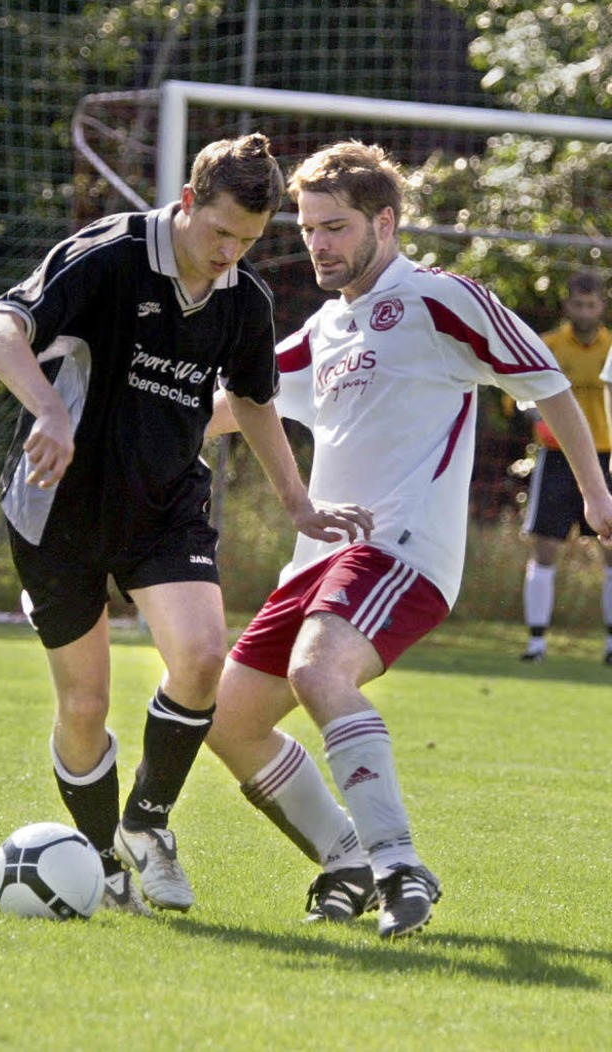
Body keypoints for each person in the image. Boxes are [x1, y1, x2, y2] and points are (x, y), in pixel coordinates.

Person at [204, 141, 612, 940]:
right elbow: (236, 402)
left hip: (403, 548)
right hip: (319, 558)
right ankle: (345, 860)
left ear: (384, 223)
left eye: (336, 227)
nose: (319, 243)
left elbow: (547, 379)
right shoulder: (324, 325)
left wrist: (597, 491)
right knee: (230, 720)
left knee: (320, 671)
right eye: (310, 227)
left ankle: (398, 862)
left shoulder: (440, 299)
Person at [0, 133, 372, 917]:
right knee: (84, 707)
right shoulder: (109, 256)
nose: (230, 254)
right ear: (188, 203)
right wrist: (48, 410)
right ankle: (99, 860)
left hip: (164, 506)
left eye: (250, 242)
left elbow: (255, 400)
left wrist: (298, 501)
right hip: (58, 509)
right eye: (220, 233)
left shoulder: (243, 300)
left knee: (200, 659)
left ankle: (147, 827)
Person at [519, 271, 612, 663]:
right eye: (578, 304)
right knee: (545, 547)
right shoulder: (548, 347)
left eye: (592, 305)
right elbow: (522, 398)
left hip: (607, 456)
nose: (585, 312)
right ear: (567, 306)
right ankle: (537, 643)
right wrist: (539, 420)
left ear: (602, 306)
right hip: (557, 459)